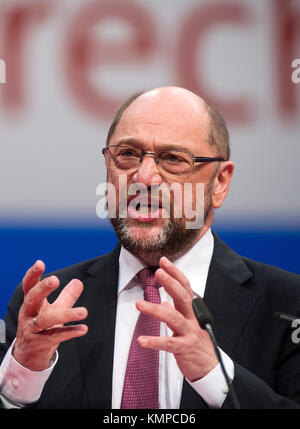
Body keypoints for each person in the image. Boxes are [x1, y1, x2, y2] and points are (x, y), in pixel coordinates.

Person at [0, 86, 300, 409]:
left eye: (173, 159)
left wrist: (215, 374)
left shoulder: (288, 306)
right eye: (127, 154)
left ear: (220, 182)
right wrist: (21, 378)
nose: (143, 177)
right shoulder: (48, 310)